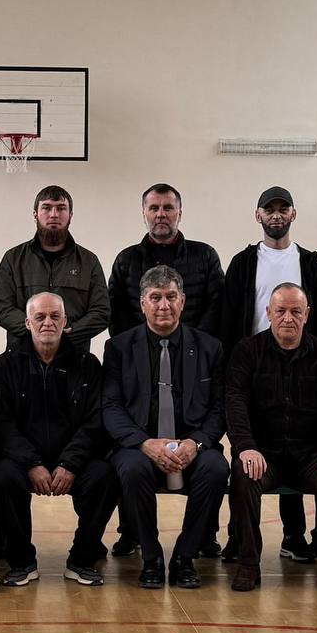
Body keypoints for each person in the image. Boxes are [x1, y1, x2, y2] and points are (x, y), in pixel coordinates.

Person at [105, 185, 225, 559]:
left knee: (214, 466)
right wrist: (141, 346)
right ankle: (143, 546)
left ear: (179, 212)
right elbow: (116, 311)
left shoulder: (204, 257)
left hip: (191, 355)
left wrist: (190, 345)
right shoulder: (126, 261)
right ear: (144, 213)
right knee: (131, 464)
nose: (161, 214)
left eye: (168, 207)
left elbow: (217, 305)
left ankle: (194, 546)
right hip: (141, 360)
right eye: (154, 207)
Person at [223, 282, 317, 595]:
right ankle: (248, 564)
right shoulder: (246, 352)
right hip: (265, 455)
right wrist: (246, 448)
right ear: (268, 312)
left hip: (311, 457)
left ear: (307, 314)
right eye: (281, 311)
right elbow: (235, 403)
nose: (288, 318)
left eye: (296, 311)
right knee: (243, 474)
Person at [214, 186, 317, 562]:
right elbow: (230, 317)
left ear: (293, 214)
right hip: (254, 367)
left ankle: (294, 536)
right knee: (247, 453)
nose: (276, 215)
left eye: (283, 209)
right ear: (258, 215)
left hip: (300, 366)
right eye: (269, 209)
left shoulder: (309, 263)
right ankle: (238, 537)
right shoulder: (243, 262)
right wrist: (233, 368)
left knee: (295, 443)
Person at [103, 265, 231, 590]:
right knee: (131, 469)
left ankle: (185, 557)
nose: (164, 305)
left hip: (191, 445)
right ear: (142, 303)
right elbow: (112, 408)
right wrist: (145, 444)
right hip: (140, 447)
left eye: (171, 297)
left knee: (216, 468)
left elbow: (219, 409)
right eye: (155, 297)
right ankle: (151, 557)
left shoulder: (210, 348)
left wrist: (195, 443)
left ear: (183, 301)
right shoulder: (118, 347)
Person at [0, 291, 117, 586]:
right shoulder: (6, 365)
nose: (48, 322)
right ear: (27, 322)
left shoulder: (88, 364)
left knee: (105, 476)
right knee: (2, 478)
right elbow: (3, 424)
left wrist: (69, 464)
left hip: (72, 459)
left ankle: (82, 559)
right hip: (24, 459)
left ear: (65, 321)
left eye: (55, 316)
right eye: (40, 317)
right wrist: (32, 463)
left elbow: (95, 422)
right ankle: (22, 562)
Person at [0, 185, 108, 350]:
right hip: (21, 356)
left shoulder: (89, 261)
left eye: (61, 208)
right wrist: (37, 333)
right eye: (46, 208)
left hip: (74, 355)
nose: (54, 214)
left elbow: (101, 312)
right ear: (35, 215)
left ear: (70, 215)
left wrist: (66, 335)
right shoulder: (13, 259)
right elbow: (2, 308)